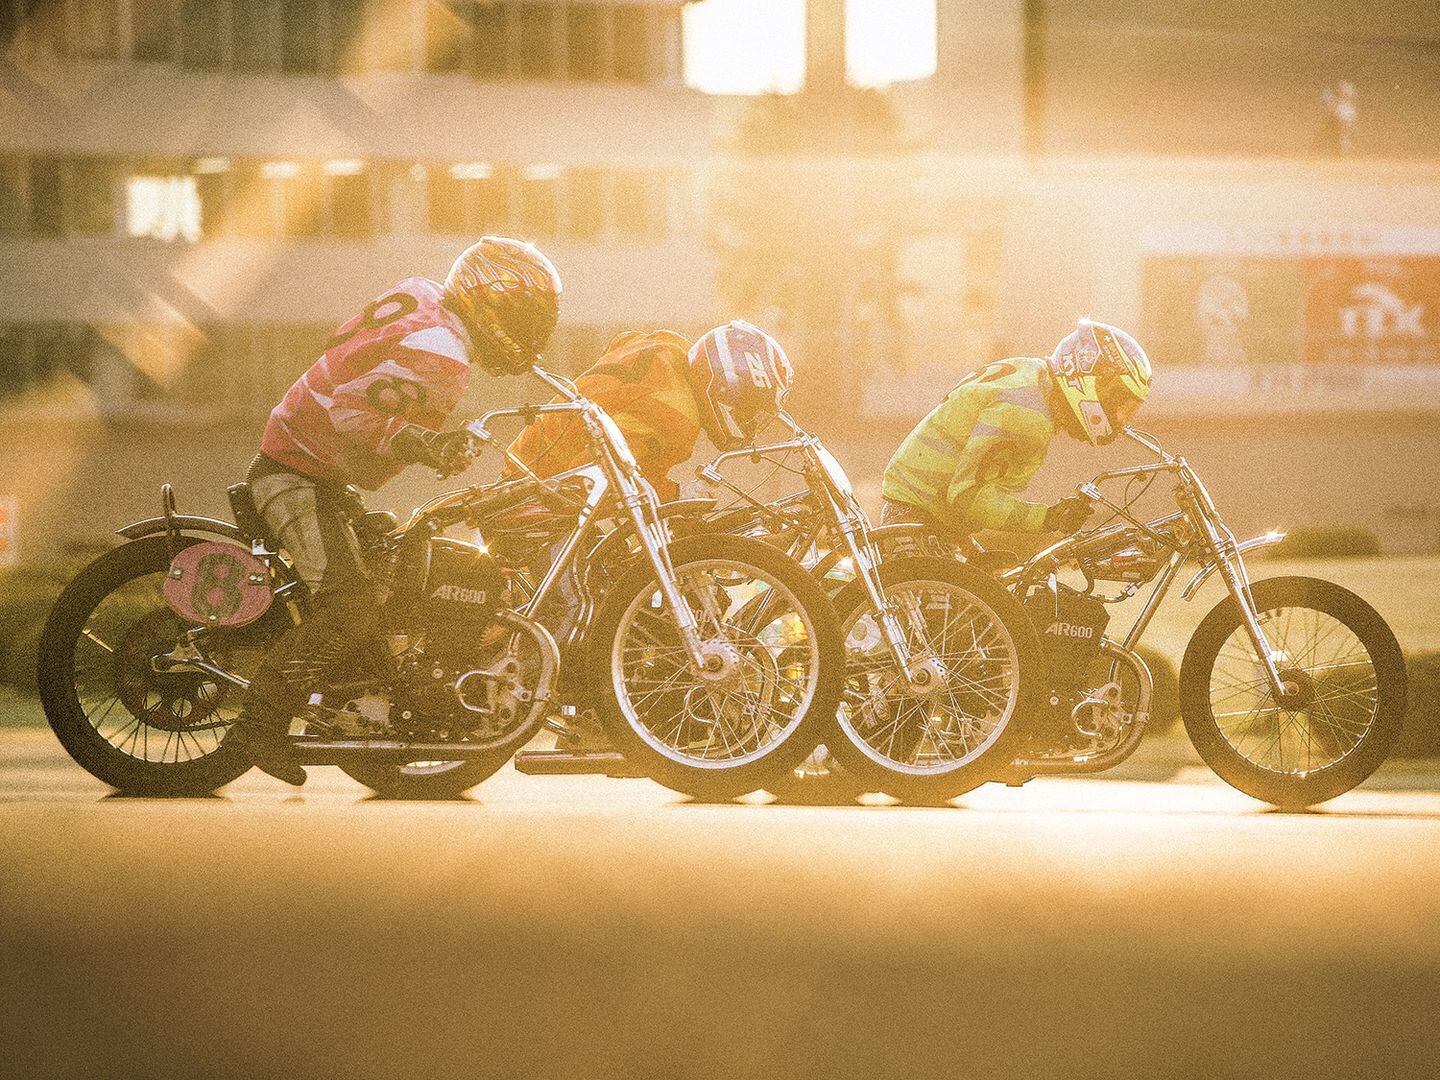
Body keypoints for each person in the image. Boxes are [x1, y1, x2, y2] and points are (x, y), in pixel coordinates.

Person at [225, 237, 564, 786]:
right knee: (351, 604)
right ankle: (256, 729)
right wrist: (426, 445)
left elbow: (349, 365)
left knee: (389, 575)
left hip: (316, 469)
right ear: (491, 302)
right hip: (296, 471)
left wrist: (424, 439)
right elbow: (347, 412)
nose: (530, 332)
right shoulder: (443, 354)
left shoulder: (426, 297)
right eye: (523, 315)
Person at [503, 319, 794, 752]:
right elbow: (607, 477)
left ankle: (603, 709)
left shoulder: (671, 355)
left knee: (616, 584)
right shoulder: (677, 412)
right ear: (723, 385)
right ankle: (512, 701)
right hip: (543, 490)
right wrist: (680, 496)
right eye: (748, 404)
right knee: (575, 604)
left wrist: (670, 497)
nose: (750, 418)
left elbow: (629, 457)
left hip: (547, 477)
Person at [880, 318, 1153, 542]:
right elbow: (968, 498)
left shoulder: (1031, 374)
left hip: (923, 510)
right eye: (1119, 405)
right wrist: (1050, 518)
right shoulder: (1027, 415)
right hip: (919, 519)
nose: (1121, 420)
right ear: (1090, 381)